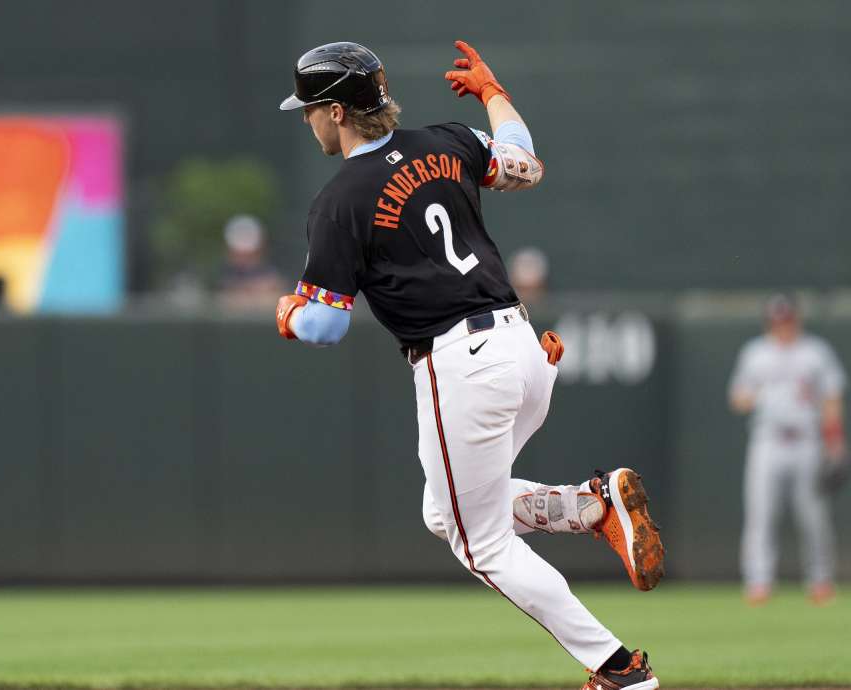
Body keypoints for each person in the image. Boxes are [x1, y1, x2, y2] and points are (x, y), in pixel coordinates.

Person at [274, 41, 664, 690]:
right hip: (523, 349)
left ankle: (620, 671)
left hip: (461, 365)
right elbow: (524, 164)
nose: (306, 119)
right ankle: (591, 508)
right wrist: (493, 93)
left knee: (480, 545)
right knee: (445, 511)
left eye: (310, 109)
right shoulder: (447, 141)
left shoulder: (340, 200)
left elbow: (326, 324)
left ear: (338, 112)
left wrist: (288, 313)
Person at [728, 294, 848, 606]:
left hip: (807, 441)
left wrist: (835, 441)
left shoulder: (815, 352)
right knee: (761, 514)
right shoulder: (755, 353)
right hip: (767, 441)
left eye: (787, 320)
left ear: (796, 320)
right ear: (770, 322)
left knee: (813, 516)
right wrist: (758, 397)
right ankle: (759, 581)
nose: (783, 326)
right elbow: (737, 398)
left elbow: (832, 398)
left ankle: (820, 580)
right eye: (777, 321)